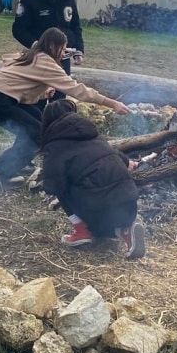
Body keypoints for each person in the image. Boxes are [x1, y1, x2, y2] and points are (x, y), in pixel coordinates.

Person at [0, 28, 129, 184]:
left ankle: (17, 162)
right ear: (52, 46)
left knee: (42, 124)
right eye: (63, 48)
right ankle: (4, 168)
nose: (64, 53)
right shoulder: (45, 62)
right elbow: (78, 90)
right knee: (38, 134)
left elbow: (20, 82)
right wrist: (112, 103)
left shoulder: (32, 55)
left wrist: (44, 93)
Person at [38, 99, 144, 257]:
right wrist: (130, 163)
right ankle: (125, 229)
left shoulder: (55, 145)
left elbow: (53, 186)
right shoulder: (94, 135)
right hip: (129, 204)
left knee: (62, 189)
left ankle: (82, 231)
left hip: (98, 207)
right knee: (103, 229)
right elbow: (119, 157)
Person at [13, 0, 85, 97]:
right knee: (38, 97)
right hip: (39, 58)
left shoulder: (69, 1)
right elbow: (18, 30)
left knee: (59, 97)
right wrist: (36, 45)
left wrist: (78, 50)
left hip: (62, 58)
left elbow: (76, 27)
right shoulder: (29, 0)